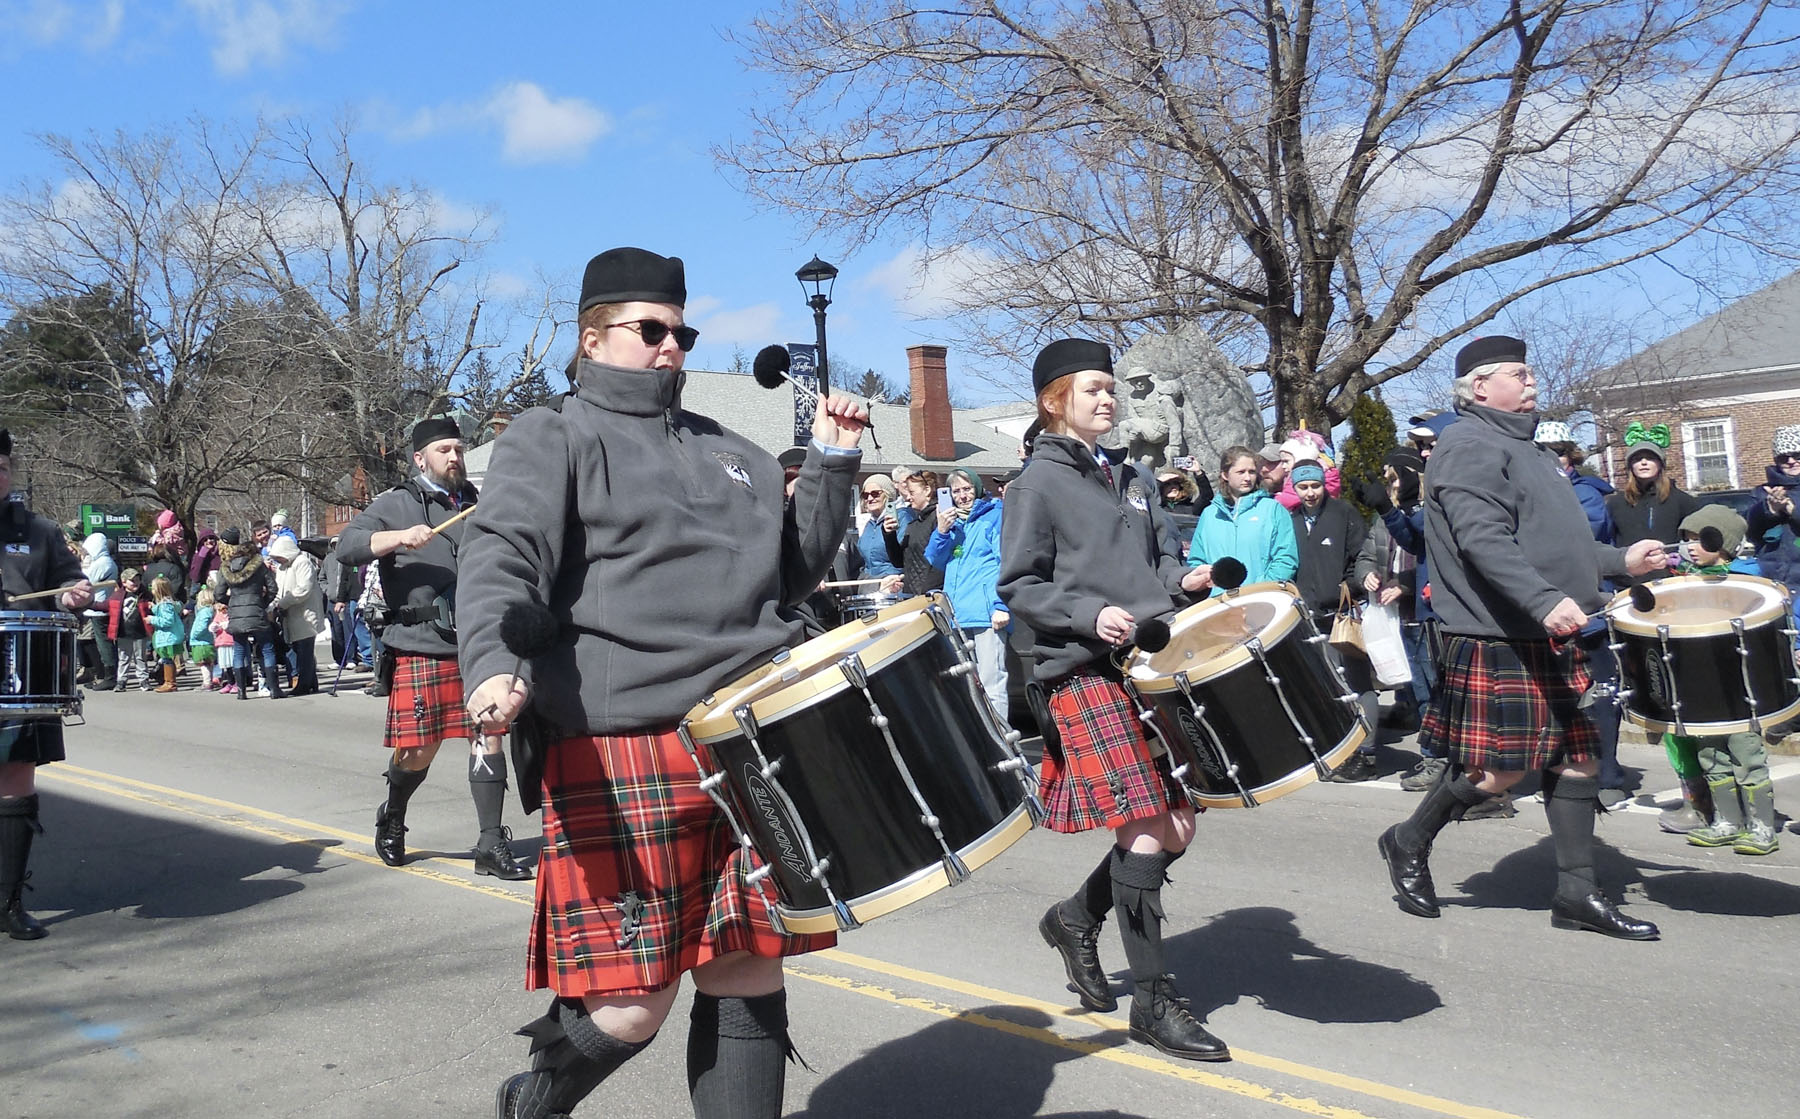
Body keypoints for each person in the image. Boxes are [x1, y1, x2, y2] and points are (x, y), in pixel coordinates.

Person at [456, 246, 869, 1119]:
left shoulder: (740, 454)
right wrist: (495, 665)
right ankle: (533, 1097)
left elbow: (787, 576)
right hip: (625, 744)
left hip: (752, 740)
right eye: (652, 330)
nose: (673, 346)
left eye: (682, 330)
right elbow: (503, 558)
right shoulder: (553, 433)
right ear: (593, 338)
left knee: (747, 963)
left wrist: (831, 462)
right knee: (630, 1005)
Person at [1376, 335, 1669, 941]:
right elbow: (1483, 540)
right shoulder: (1467, 446)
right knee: (1498, 773)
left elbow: (1552, 543)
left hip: (1541, 629)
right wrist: (1541, 601)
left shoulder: (1527, 449)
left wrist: (1621, 561)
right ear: (1479, 387)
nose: (1532, 380)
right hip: (1497, 631)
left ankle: (1576, 894)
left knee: (1580, 759)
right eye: (1519, 372)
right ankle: (1407, 840)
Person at [1000, 339, 1225, 1062]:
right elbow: (1021, 585)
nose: (1108, 398)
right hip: (1080, 670)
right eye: (1093, 388)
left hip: (1149, 665)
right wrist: (1087, 612)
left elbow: (1158, 558)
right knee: (1146, 829)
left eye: (1110, 388)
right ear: (1053, 399)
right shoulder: (1034, 484)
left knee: (1178, 828)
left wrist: (1183, 580)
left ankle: (1074, 917)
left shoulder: (1133, 476)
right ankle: (1154, 1002)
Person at [337, 418, 529, 881]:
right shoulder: (396, 504)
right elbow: (346, 546)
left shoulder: (477, 505)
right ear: (420, 458)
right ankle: (394, 810)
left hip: (477, 642)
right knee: (418, 751)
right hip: (423, 645)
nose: (455, 457)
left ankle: (489, 843)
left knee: (490, 732)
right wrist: (400, 537)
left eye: (459, 449)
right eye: (444, 450)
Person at [0, 427, 95, 939]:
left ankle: (8, 902)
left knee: (16, 781)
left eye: (2, 467)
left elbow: (66, 584)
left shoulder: (38, 529)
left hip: (19, 673)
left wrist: (73, 596)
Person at [1660, 506, 1779, 855]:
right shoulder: (1684, 581)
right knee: (1711, 754)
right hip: (1702, 687)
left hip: (1740, 689)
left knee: (1746, 755)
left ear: (1725, 543)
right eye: (1687, 540)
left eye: (1700, 539)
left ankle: (1761, 827)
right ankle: (1726, 820)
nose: (1691, 547)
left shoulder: (1748, 579)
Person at [1533, 419, 1630, 807]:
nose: (1554, 459)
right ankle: (1561, 772)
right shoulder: (1534, 491)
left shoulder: (1587, 493)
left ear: (1571, 455)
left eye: (1559, 452)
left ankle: (1608, 774)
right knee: (1555, 699)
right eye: (1545, 453)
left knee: (1601, 696)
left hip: (1589, 610)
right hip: (1546, 610)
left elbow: (1574, 541)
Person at [1287, 462, 1381, 782]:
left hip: (1342, 613)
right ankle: (1340, 751)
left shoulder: (1344, 514)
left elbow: (1362, 555)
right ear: (1295, 489)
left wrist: (1349, 586)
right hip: (1308, 616)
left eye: (1315, 485)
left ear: (1323, 484)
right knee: (1327, 686)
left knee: (1356, 682)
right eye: (1303, 487)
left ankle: (1366, 753)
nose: (1310, 492)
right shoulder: (1292, 519)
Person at [925, 468, 1010, 723]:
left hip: (987, 614)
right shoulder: (952, 522)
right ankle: (983, 747)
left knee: (992, 682)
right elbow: (935, 559)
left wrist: (1001, 605)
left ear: (977, 488)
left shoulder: (994, 515)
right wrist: (941, 530)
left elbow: (1005, 562)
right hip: (958, 615)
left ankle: (1004, 745)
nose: (963, 496)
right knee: (968, 687)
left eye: (967, 489)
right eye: (956, 492)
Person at [1186, 445, 1299, 591]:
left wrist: (1262, 589)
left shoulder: (1273, 509)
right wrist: (1208, 586)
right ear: (1225, 475)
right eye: (1241, 472)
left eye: (1252, 472)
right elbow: (1197, 561)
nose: (1247, 478)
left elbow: (1285, 559)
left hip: (1261, 600)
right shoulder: (1209, 514)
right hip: (1218, 604)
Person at [1605, 421, 1699, 586]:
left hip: (1671, 581)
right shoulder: (1615, 503)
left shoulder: (1682, 500)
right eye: (1637, 459)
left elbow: (1697, 540)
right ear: (1630, 466)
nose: (1643, 462)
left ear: (1660, 464)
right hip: (1629, 585)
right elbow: (1607, 543)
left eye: (1650, 458)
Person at [216, 529, 282, 698]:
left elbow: (218, 594)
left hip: (237, 614)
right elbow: (273, 588)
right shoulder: (259, 566)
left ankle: (241, 691)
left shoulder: (226, 568)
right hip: (256, 611)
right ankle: (274, 689)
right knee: (267, 649)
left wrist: (231, 604)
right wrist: (263, 602)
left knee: (239, 650)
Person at [268, 534, 327, 695]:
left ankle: (304, 684)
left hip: (306, 614)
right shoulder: (283, 568)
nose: (279, 560)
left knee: (305, 651)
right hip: (291, 615)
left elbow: (303, 589)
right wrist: (273, 605)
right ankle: (311, 682)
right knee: (297, 649)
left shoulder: (302, 563)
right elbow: (279, 591)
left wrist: (283, 603)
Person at [884, 468, 945, 594]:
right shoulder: (914, 524)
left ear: (927, 490)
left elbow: (940, 564)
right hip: (911, 594)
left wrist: (926, 592)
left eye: (912, 492)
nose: (908, 498)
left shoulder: (941, 519)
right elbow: (899, 561)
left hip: (931, 595)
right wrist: (889, 534)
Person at [79, 532, 118, 689]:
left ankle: (109, 675)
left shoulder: (104, 563)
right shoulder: (102, 562)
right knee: (95, 643)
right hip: (94, 608)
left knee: (104, 644)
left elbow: (85, 580)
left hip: (99, 608)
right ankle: (101, 674)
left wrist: (84, 566)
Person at [853, 474, 904, 589]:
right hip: (869, 586)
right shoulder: (869, 524)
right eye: (865, 495)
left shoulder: (902, 518)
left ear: (887, 494)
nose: (870, 499)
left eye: (875, 494)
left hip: (893, 587)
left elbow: (905, 558)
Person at [107, 568, 153, 692]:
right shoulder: (117, 596)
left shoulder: (145, 595)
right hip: (123, 632)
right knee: (123, 657)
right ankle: (121, 681)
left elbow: (152, 607)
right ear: (124, 582)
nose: (136, 583)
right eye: (132, 581)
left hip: (140, 632)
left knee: (140, 657)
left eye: (138, 580)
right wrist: (90, 604)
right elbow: (106, 606)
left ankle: (143, 680)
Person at [147, 576, 184, 693]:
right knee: (168, 659)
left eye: (152, 588)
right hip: (169, 636)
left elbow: (167, 621)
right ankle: (170, 682)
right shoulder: (168, 604)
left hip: (167, 636)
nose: (151, 591)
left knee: (167, 659)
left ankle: (170, 682)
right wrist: (154, 608)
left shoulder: (165, 605)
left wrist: (152, 619)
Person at [189, 586, 219, 690]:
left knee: (204, 664)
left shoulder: (205, 611)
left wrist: (194, 634)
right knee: (208, 663)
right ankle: (210, 681)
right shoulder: (211, 611)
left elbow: (202, 626)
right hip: (208, 641)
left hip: (201, 642)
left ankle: (207, 683)